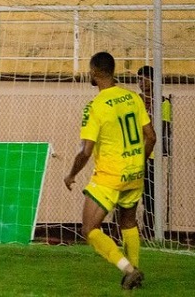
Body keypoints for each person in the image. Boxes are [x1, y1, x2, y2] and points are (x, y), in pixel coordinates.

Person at [64, 52, 155, 290]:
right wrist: (138, 163)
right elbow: (151, 137)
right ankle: (134, 274)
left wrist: (71, 174)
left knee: (89, 229)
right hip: (135, 174)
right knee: (128, 222)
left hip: (109, 176)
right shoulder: (133, 97)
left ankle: (128, 269)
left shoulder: (95, 106)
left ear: (94, 72)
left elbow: (85, 151)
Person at [136, 65, 172, 241]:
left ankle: (149, 232)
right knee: (127, 195)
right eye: (139, 79)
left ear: (153, 81)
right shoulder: (135, 101)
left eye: (145, 79)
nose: (141, 83)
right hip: (134, 155)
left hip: (152, 157)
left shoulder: (163, 103)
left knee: (150, 198)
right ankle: (121, 232)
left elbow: (163, 129)